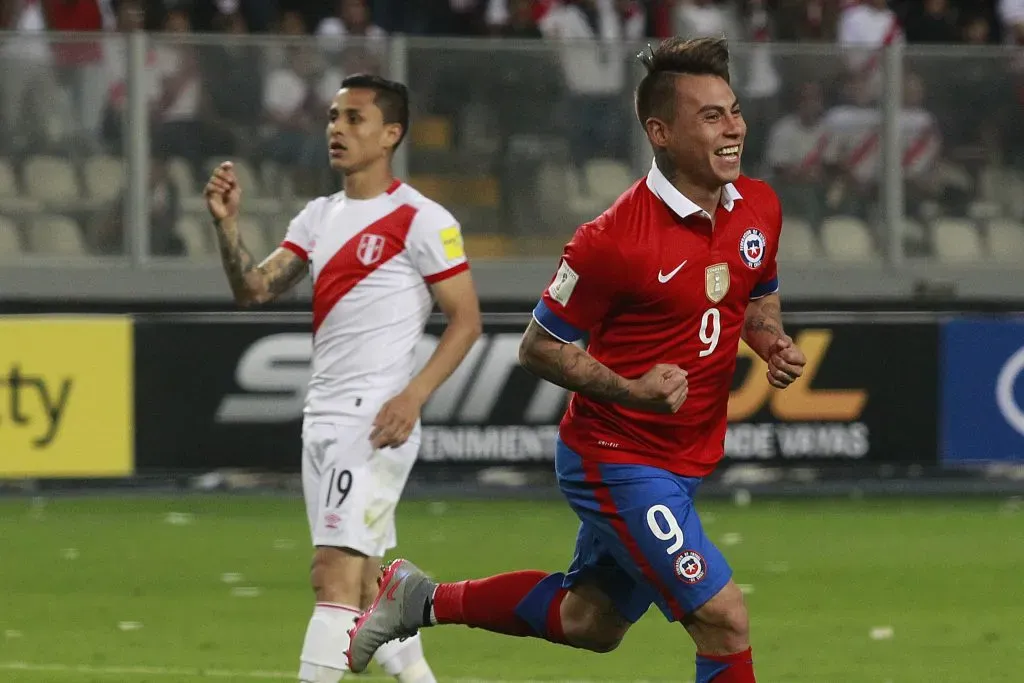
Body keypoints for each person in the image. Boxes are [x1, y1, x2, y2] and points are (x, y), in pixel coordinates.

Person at [346, 37, 807, 683]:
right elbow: (539, 346)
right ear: (661, 131)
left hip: (686, 456)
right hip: (617, 454)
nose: (734, 128)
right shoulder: (612, 239)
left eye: (733, 111)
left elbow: (756, 295)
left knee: (591, 622)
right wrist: (634, 389)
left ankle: (418, 597)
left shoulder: (758, 205)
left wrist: (771, 340)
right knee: (724, 620)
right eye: (711, 116)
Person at [204, 73, 483, 683]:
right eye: (333, 116)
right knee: (363, 590)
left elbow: (466, 320)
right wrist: (227, 226)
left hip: (374, 421)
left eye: (353, 118)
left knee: (330, 573)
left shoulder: (420, 219)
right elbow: (253, 288)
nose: (336, 128)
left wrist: (414, 395)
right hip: (323, 417)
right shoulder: (318, 217)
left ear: (391, 134)